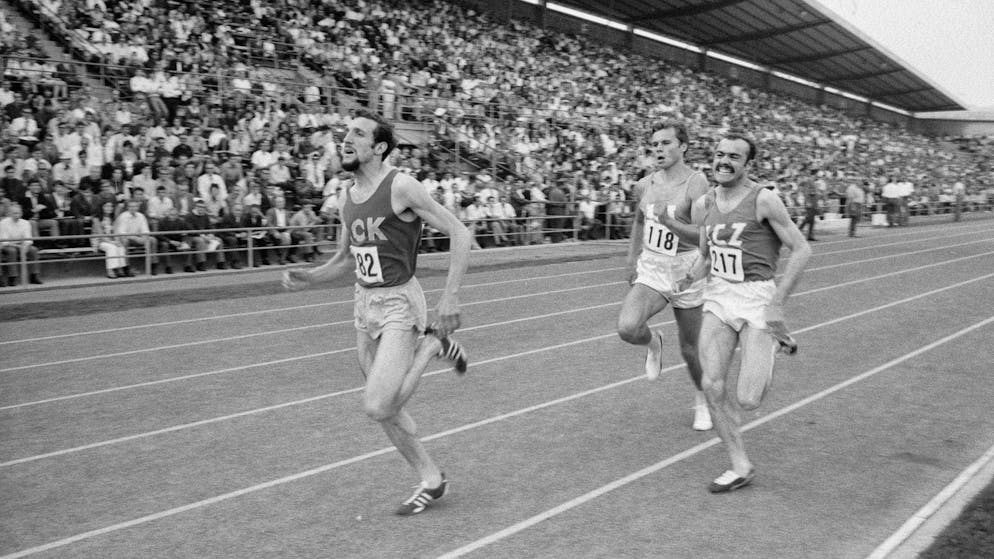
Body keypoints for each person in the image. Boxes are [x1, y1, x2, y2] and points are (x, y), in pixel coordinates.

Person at [282, 111, 471, 516]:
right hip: (364, 303)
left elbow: (461, 232)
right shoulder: (345, 196)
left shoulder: (401, 186)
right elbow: (343, 260)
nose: (346, 138)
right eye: (345, 132)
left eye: (358, 133)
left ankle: (432, 346)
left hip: (399, 301)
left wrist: (449, 299)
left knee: (377, 405)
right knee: (386, 407)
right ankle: (431, 478)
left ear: (379, 147)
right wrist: (310, 278)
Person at [680, 132, 811, 493]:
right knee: (711, 384)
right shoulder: (704, 204)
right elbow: (707, 255)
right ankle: (740, 464)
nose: (724, 161)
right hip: (719, 298)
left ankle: (774, 339)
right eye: (720, 154)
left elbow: (801, 250)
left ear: (747, 164)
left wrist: (776, 302)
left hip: (756, 299)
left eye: (734, 157)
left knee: (749, 400)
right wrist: (689, 276)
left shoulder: (764, 199)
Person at [617, 122, 712, 432]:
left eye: (665, 143)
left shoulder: (697, 184)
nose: (657, 149)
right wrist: (632, 257)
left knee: (689, 349)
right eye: (654, 143)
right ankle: (654, 341)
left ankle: (701, 398)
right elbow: (639, 221)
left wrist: (669, 221)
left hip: (686, 269)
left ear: (683, 146)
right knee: (628, 327)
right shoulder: (644, 185)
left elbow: (703, 233)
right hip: (653, 268)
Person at [0, 204, 43, 286]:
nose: (17, 215)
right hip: (7, 245)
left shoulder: (25, 223)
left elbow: (28, 239)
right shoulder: (3, 223)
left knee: (34, 250)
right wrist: (19, 246)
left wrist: (26, 247)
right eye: (14, 213)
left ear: (21, 213)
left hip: (21, 244)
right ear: (9, 214)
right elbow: (4, 241)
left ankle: (34, 276)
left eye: (18, 213)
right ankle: (12, 277)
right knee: (12, 251)